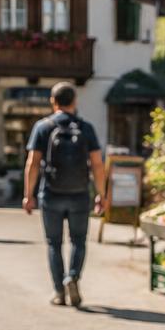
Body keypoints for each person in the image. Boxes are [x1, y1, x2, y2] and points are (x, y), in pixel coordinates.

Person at [23, 82, 106, 307]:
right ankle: (73, 277)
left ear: (53, 101)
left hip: (51, 193)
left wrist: (28, 195)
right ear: (74, 101)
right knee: (78, 241)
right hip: (80, 194)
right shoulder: (86, 128)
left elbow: (32, 163)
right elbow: (97, 164)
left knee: (54, 243)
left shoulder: (43, 127)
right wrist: (101, 194)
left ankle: (59, 292)